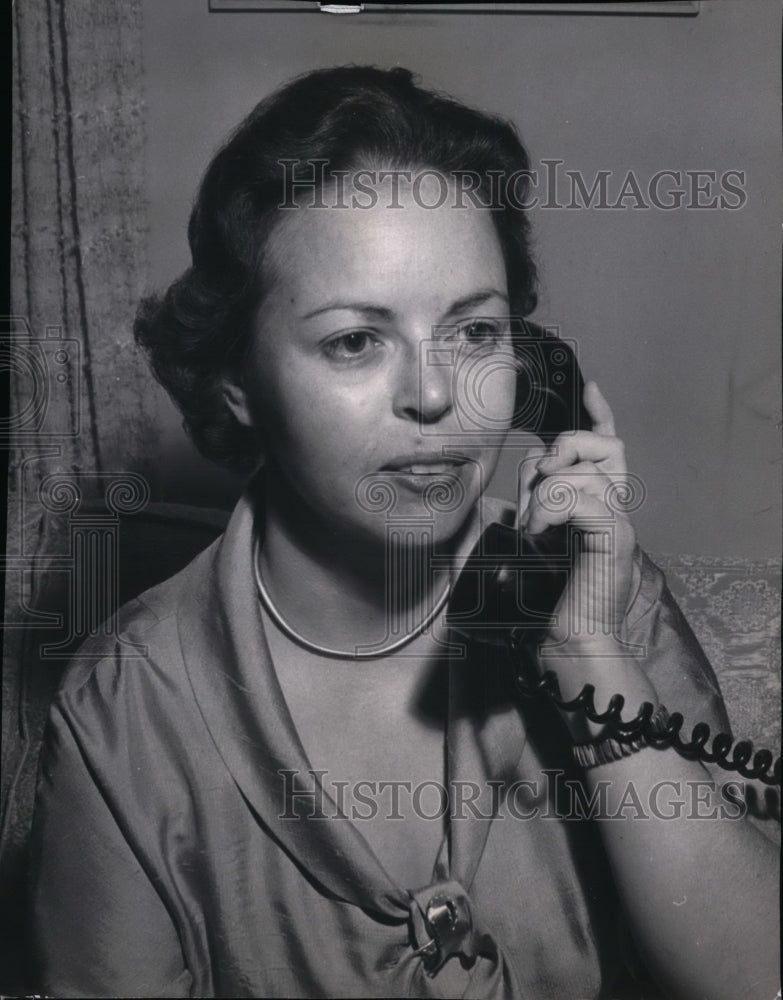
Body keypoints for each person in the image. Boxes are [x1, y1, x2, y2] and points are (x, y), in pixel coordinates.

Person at [28, 66, 779, 999]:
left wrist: (593, 666)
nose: (434, 396)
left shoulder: (603, 600)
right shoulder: (123, 713)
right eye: (355, 340)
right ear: (236, 383)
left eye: (472, 333)